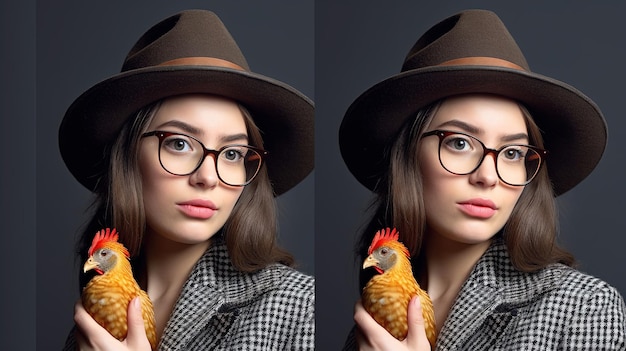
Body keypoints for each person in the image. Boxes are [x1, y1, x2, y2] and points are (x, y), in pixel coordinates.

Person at [339, 9, 625, 350]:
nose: (488, 176)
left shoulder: (582, 307)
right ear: (408, 157)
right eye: (459, 143)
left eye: (513, 152)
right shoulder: (377, 318)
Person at [59, 9, 314, 350]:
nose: (208, 177)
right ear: (128, 157)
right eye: (179, 144)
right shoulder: (94, 324)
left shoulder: (299, 308)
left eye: (233, 153)